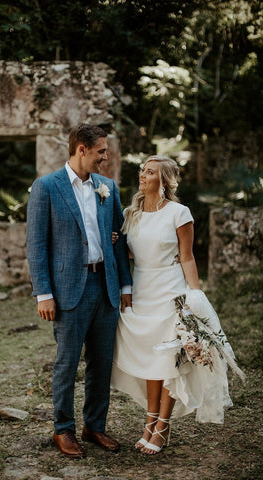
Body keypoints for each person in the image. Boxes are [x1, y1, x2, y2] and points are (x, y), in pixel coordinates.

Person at [111, 154, 238, 455]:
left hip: (170, 291)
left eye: (150, 172)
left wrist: (194, 296)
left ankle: (162, 426)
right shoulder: (133, 213)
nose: (142, 175)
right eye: (142, 170)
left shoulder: (180, 213)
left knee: (168, 360)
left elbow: (187, 257)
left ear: (164, 180)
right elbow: (131, 253)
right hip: (141, 291)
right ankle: (149, 421)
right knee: (150, 360)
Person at [26, 123, 132, 458]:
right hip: (69, 290)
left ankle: (94, 427)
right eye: (101, 150)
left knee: (101, 364)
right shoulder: (46, 187)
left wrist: (125, 284)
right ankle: (63, 430)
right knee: (67, 364)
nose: (106, 156)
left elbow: (119, 239)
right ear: (81, 149)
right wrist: (43, 292)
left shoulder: (108, 187)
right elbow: (36, 244)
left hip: (106, 288)